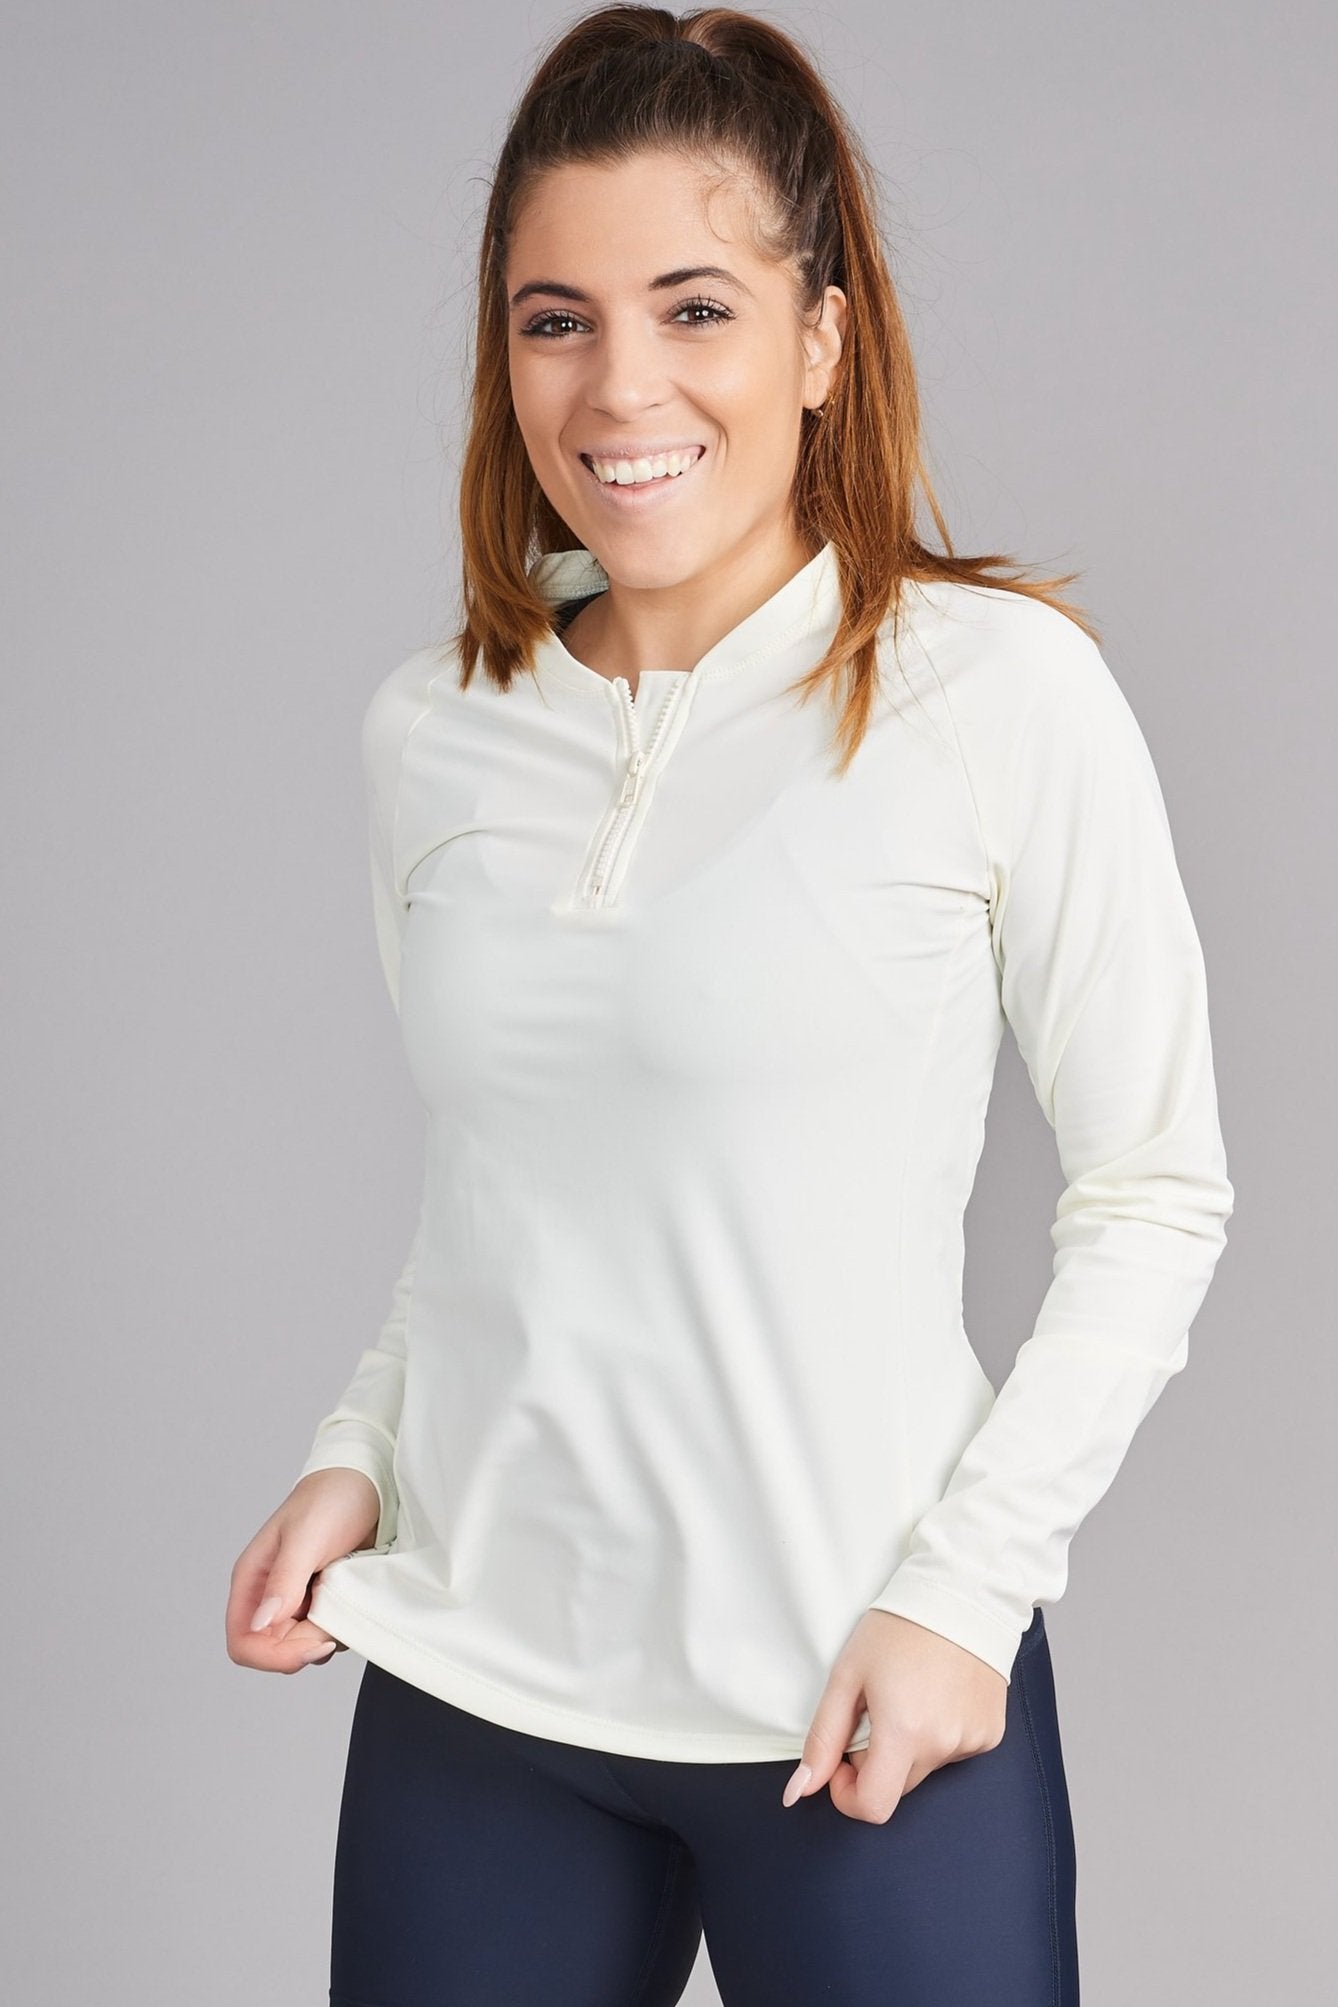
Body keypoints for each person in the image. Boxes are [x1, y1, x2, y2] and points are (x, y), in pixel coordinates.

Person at [225, 8, 1234, 2002]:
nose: (621, 387)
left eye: (695, 308)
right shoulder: (433, 730)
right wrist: (366, 1448)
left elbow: (1155, 1192)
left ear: (820, 341)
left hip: (862, 1681)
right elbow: (503, 1199)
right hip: (480, 1685)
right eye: (556, 321)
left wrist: (965, 1598)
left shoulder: (992, 693)